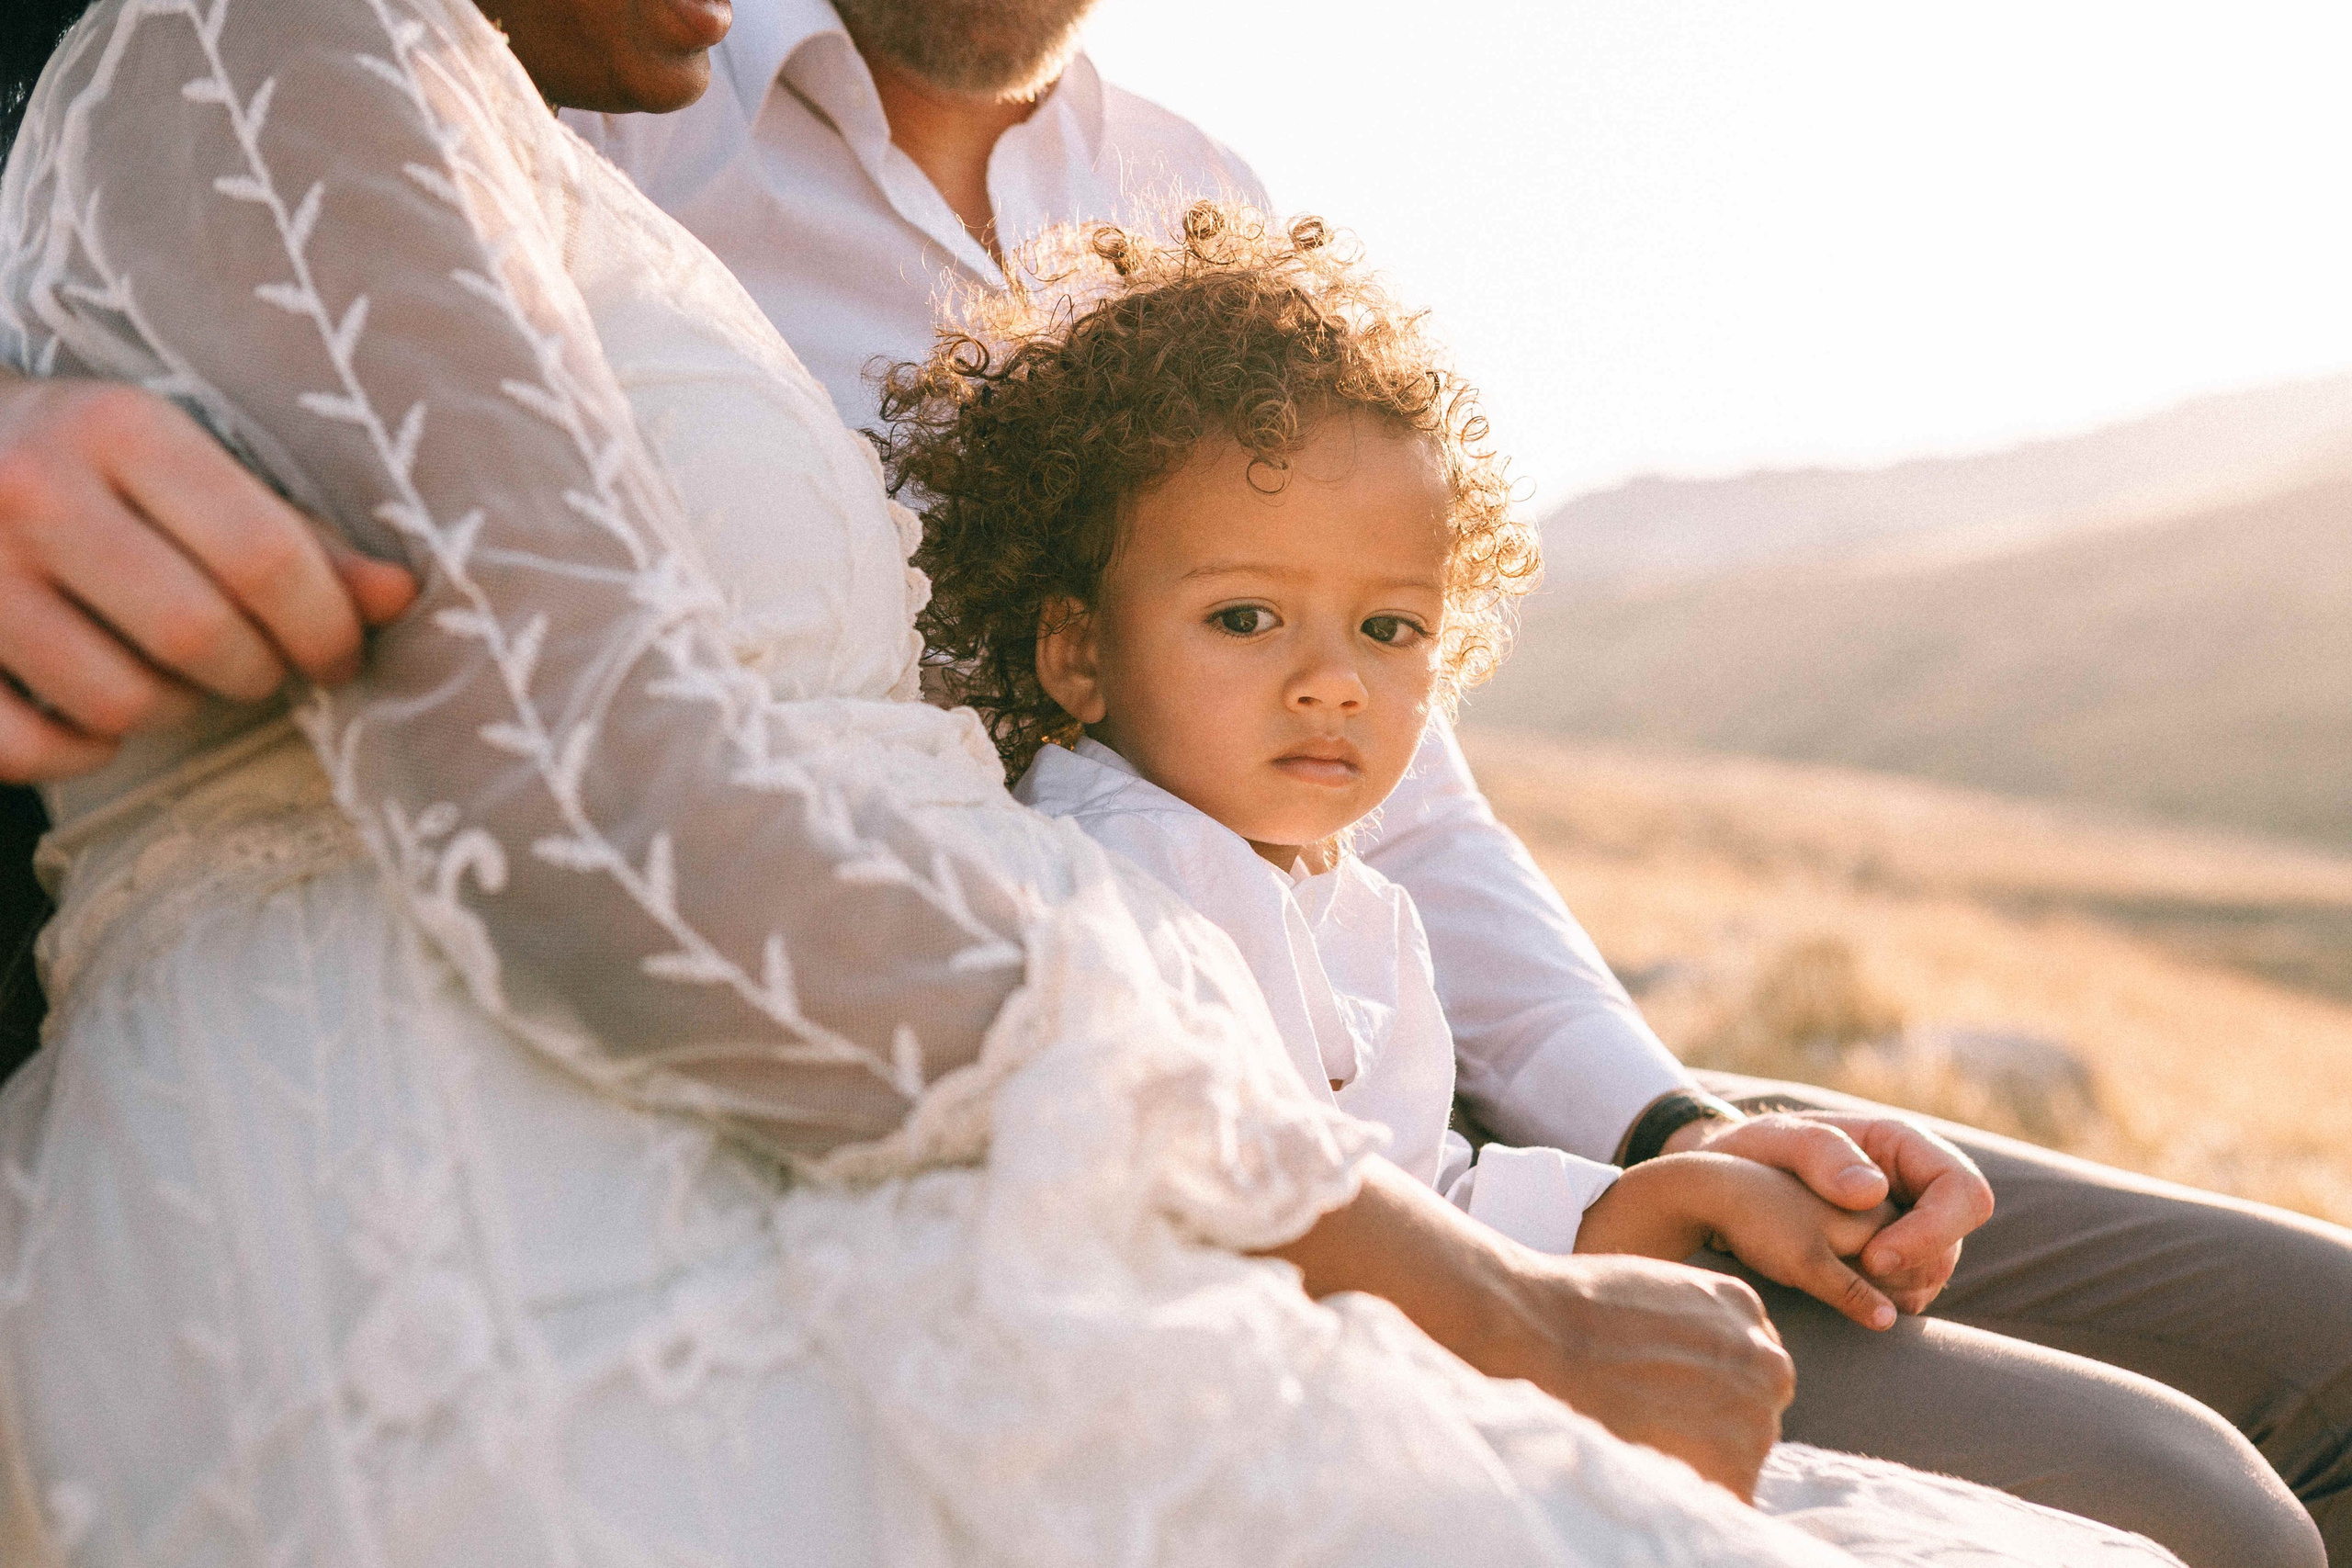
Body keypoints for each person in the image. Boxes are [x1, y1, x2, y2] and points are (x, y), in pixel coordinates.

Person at [0, 1, 2335, 1562]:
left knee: (2312, 1342)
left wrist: (1652, 1127)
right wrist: (1474, 1267)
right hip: (1089, 1090)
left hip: (1364, 1081)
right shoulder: (596, 118)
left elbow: (1404, 798)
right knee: (2174, 1498)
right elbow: (617, 799)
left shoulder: (1176, 179)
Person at [904, 206, 1928, 1325]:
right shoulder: (1127, 882)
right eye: (1245, 617)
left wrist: (1677, 1189)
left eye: (1388, 630)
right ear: (1077, 650)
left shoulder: (1348, 905)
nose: (1333, 682)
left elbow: (1418, 1210)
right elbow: (1287, 1234)